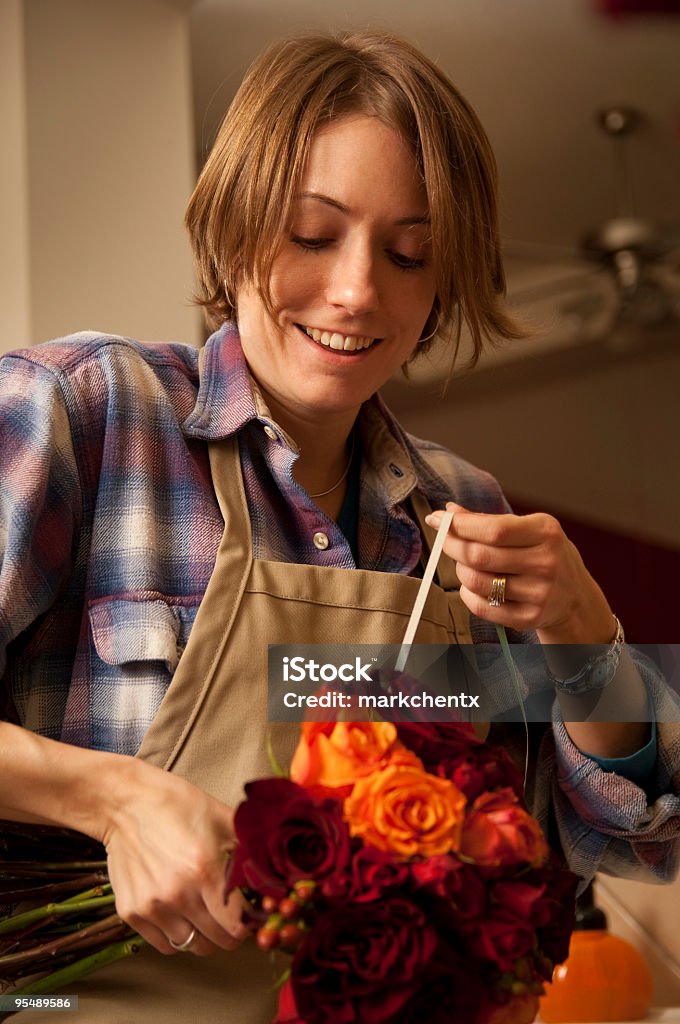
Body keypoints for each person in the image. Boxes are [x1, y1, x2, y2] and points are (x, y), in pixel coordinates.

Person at [1, 30, 679, 1024]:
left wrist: (585, 632)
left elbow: (633, 839)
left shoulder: (467, 512)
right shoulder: (79, 411)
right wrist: (112, 797)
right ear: (232, 227)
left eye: (409, 254)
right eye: (312, 235)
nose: (358, 289)